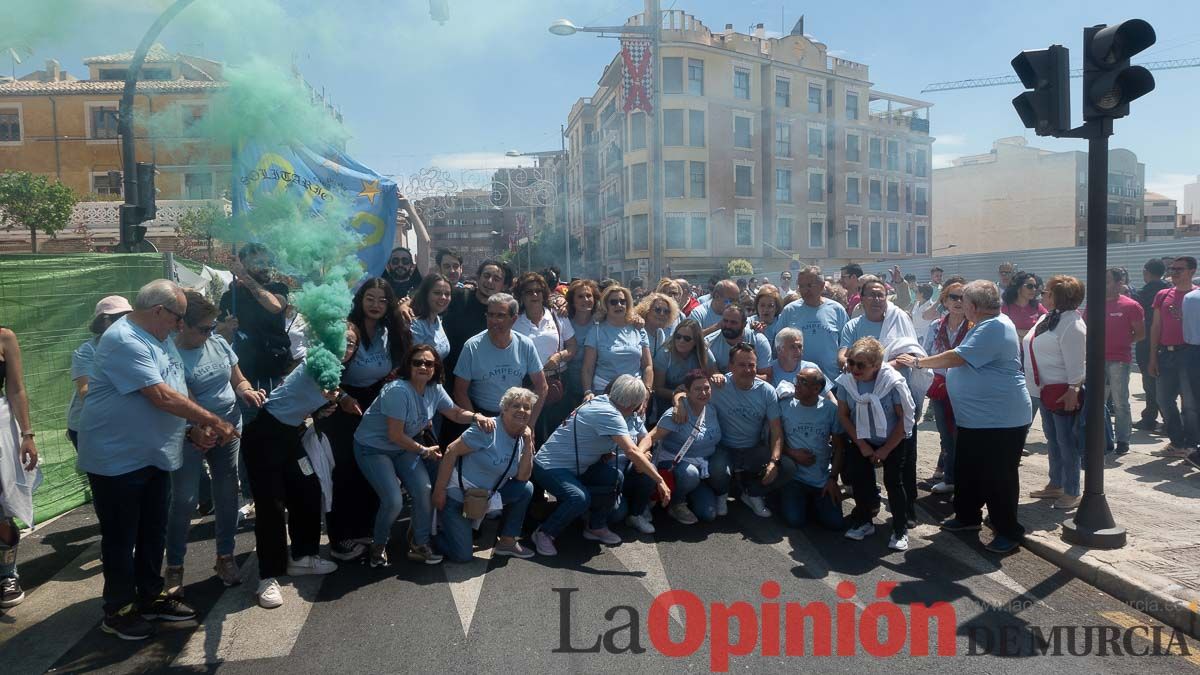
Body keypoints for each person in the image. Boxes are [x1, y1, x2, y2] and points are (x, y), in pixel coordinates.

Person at [77, 280, 238, 639]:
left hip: (154, 454)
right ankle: (118, 610)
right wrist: (210, 420)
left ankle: (150, 597)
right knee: (121, 538)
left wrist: (190, 431)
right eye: (178, 318)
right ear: (158, 312)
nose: (181, 326)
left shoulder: (160, 337)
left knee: (152, 531)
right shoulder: (124, 340)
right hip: (117, 459)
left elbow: (175, 388)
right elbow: (161, 397)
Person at [899, 280, 1032, 554]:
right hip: (977, 419)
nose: (961, 304)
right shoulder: (986, 324)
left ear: (972, 306)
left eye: (964, 300)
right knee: (968, 471)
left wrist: (919, 362)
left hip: (1000, 420)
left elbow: (957, 357)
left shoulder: (995, 325)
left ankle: (1008, 531)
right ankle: (968, 517)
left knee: (999, 477)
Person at [242, 330, 354, 610]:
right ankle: (267, 577)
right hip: (265, 435)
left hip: (292, 435)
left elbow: (312, 396)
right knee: (271, 506)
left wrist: (321, 409)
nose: (348, 347)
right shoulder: (319, 361)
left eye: (353, 343)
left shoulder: (332, 367)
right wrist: (339, 400)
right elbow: (328, 390)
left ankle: (303, 556)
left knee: (307, 488)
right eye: (344, 340)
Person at [355, 344, 494, 567]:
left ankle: (420, 544)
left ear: (435, 368)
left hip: (404, 448)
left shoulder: (434, 388)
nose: (423, 366)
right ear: (408, 365)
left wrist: (476, 417)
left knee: (424, 490)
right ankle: (378, 545)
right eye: (417, 362)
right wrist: (423, 451)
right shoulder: (398, 390)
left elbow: (455, 413)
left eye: (428, 363)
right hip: (374, 448)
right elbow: (394, 435)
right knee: (393, 501)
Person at [166, 291, 266, 594]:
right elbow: (185, 400)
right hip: (191, 433)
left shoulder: (219, 343)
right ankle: (174, 567)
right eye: (204, 329)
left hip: (228, 427)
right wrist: (203, 427)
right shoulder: (169, 354)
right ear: (181, 326)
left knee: (227, 492)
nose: (211, 333)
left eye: (213, 327)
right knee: (184, 500)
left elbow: (237, 378)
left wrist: (247, 390)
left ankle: (225, 556)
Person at [322, 278, 410, 563]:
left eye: (382, 300)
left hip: (375, 406)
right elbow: (325, 377)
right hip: (343, 408)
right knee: (345, 471)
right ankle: (340, 536)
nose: (376, 305)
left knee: (371, 470)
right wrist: (343, 398)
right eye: (370, 298)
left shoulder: (389, 331)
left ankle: (365, 529)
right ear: (360, 300)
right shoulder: (345, 331)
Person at [531, 375, 671, 556]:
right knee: (579, 498)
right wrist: (660, 480)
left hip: (576, 466)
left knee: (614, 476)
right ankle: (544, 533)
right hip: (549, 467)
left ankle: (595, 527)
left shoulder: (602, 401)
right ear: (634, 405)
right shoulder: (611, 415)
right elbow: (632, 452)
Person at [679, 343, 794, 518]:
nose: (747, 370)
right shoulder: (717, 386)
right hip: (723, 447)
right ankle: (722, 493)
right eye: (741, 365)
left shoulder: (767, 391)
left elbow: (776, 431)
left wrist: (774, 461)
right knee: (718, 471)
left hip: (753, 448)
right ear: (730, 366)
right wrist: (678, 403)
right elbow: (684, 391)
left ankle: (752, 493)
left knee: (787, 467)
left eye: (751, 365)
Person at [433, 387, 538, 561]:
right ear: (504, 409)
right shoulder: (488, 428)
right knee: (462, 556)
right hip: (459, 496)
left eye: (526, 407)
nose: (522, 410)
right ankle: (428, 536)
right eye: (516, 406)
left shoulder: (521, 437)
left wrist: (528, 442)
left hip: (483, 499)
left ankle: (507, 541)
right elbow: (451, 451)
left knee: (525, 488)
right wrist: (439, 491)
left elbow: (522, 477)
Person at [835, 337, 914, 551]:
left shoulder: (892, 382)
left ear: (877, 365)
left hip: (893, 438)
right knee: (861, 481)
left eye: (861, 365)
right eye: (851, 362)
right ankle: (864, 521)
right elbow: (844, 415)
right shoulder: (847, 381)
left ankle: (900, 529)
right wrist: (862, 445)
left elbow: (903, 419)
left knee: (893, 482)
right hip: (862, 437)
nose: (854, 368)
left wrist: (886, 449)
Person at [626, 371, 723, 528]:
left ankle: (683, 495)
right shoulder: (676, 413)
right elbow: (651, 436)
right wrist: (640, 455)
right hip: (675, 465)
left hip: (702, 468)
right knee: (691, 475)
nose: (703, 393)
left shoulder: (711, 410)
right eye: (697, 389)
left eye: (706, 388)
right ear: (687, 391)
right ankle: (676, 503)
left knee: (708, 514)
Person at [1022, 276, 1086, 511]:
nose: (1042, 295)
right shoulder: (1048, 317)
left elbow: (1077, 362)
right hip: (1043, 390)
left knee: (1066, 442)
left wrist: (1073, 389)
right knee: (1054, 440)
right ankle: (1056, 483)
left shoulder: (1072, 323)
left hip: (1061, 392)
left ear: (1060, 296)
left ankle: (1071, 490)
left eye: (1046, 292)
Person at [454, 293, 548, 427]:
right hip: (482, 416)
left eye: (500, 316)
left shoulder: (525, 345)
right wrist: (476, 423)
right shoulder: (472, 347)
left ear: (513, 319)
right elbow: (460, 391)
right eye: (490, 315)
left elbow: (542, 386)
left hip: (516, 416)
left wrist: (530, 424)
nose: (494, 320)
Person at [217, 243, 292, 397]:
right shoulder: (230, 297)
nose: (265, 267)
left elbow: (275, 306)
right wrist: (227, 328)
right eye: (259, 263)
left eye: (267, 262)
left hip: (279, 372)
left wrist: (244, 276)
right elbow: (220, 339)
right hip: (246, 376)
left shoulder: (278, 288)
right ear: (243, 265)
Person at [0, 325, 40, 609]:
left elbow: (16, 388)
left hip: (0, 427)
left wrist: (27, 434)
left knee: (3, 509)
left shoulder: (5, 337)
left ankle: (7, 575)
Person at [777, 368, 845, 531]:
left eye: (803, 382)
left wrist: (833, 479)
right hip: (794, 478)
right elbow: (773, 440)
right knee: (795, 521)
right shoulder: (785, 405)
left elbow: (839, 447)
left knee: (835, 523)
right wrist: (792, 453)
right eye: (797, 380)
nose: (796, 385)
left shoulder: (830, 410)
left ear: (816, 389)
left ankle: (813, 503)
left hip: (821, 479)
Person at [922, 282, 972, 495]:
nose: (959, 301)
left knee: (964, 435)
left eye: (963, 297)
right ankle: (951, 477)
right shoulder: (935, 326)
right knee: (945, 434)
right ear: (944, 300)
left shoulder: (974, 327)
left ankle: (963, 478)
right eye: (953, 297)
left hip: (966, 389)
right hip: (941, 389)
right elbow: (926, 354)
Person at [513, 273, 577, 440]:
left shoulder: (557, 315)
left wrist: (559, 356)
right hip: (529, 384)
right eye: (528, 291)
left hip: (558, 382)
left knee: (560, 434)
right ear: (521, 295)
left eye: (538, 291)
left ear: (544, 293)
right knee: (533, 433)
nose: (534, 295)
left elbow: (572, 347)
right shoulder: (514, 321)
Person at [1148, 256, 1200, 458]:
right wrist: (1152, 356)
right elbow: (1156, 327)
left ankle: (1192, 446)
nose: (1174, 272)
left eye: (1179, 269)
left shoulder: (1196, 296)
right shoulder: (1163, 294)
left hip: (1190, 354)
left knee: (1190, 404)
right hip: (1166, 354)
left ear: (1192, 271)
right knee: (1163, 399)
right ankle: (1177, 441)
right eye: (1172, 269)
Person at [67, 296, 133, 449]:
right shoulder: (87, 351)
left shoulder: (133, 345)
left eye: (128, 317)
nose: (125, 322)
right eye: (119, 317)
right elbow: (85, 392)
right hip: (87, 424)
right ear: (105, 321)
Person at [1096, 268, 1145, 455]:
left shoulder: (1131, 306)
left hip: (1119, 360)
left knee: (1120, 401)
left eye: (1107, 280)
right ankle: (1101, 437)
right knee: (1096, 402)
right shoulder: (1095, 304)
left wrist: (1122, 342)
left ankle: (1123, 439)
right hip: (1097, 360)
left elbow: (1140, 334)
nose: (1103, 284)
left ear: (1119, 283)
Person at [778, 265, 849, 382]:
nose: (805, 290)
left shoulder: (837, 310)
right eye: (801, 286)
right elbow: (778, 345)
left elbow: (846, 344)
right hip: (799, 383)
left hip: (833, 381)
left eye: (810, 285)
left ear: (822, 286)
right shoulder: (789, 311)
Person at [581, 285, 652, 399]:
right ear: (606, 305)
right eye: (613, 302)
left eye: (622, 301)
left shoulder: (639, 328)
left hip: (634, 392)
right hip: (604, 392)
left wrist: (647, 392)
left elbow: (648, 366)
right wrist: (588, 392)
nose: (619, 305)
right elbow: (588, 368)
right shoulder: (596, 331)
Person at [1134, 258, 1169, 431]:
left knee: (1149, 382)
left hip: (1146, 341)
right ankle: (1163, 418)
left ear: (1146, 272)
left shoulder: (1142, 293)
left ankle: (1155, 418)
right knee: (1166, 383)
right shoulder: (1170, 290)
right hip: (1168, 342)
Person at [563, 279, 600, 406]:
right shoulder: (563, 322)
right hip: (568, 389)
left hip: (595, 390)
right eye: (580, 296)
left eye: (589, 296)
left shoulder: (601, 324)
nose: (585, 299)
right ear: (572, 301)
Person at [707, 305, 772, 371]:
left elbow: (767, 376)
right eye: (725, 321)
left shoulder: (759, 341)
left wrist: (741, 375)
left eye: (733, 322)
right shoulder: (709, 343)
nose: (728, 326)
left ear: (744, 324)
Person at [410, 273, 453, 360]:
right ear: (425, 294)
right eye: (437, 293)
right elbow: (416, 362)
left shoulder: (437, 319)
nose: (443, 297)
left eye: (447, 294)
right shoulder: (416, 325)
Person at [1001, 271, 1047, 341]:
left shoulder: (1038, 307)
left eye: (1035, 286)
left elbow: (1048, 325)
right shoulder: (1005, 308)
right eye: (1030, 286)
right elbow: (1001, 330)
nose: (1034, 289)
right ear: (1018, 288)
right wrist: (1017, 331)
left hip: (1032, 350)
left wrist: (1024, 334)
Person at [634, 292, 679, 360]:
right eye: (658, 310)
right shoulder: (637, 328)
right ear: (647, 310)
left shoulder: (660, 333)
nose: (662, 314)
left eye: (666, 311)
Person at [749, 286, 784, 355]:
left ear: (776, 308)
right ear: (757, 306)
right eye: (762, 305)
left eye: (770, 306)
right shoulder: (750, 321)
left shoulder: (782, 321)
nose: (765, 309)